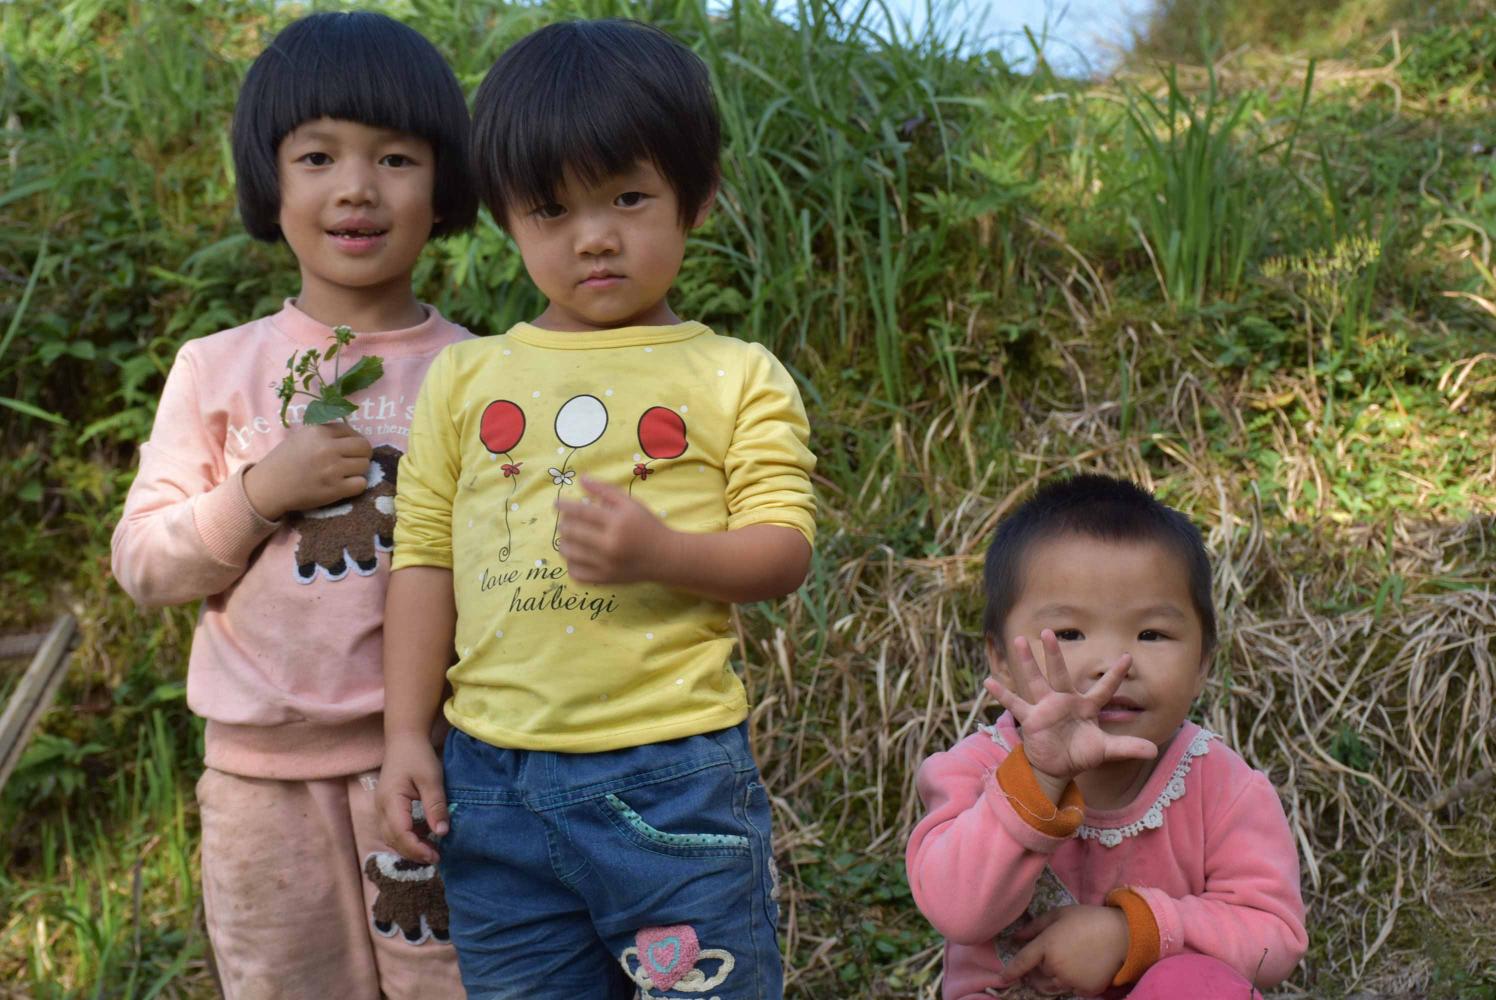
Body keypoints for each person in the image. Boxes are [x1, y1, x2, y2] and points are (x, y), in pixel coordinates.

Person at [374, 18, 816, 999]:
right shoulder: (463, 378)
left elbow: (782, 550)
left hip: (670, 790)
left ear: (694, 196)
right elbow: (425, 562)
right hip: (489, 788)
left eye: (627, 196)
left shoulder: (734, 375)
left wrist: (663, 550)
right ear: (504, 218)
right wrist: (408, 732)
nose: (594, 236)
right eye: (551, 210)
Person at [109, 11, 476, 998]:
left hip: (440, 770)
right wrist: (261, 492)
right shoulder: (217, 369)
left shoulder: (481, 372)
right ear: (271, 183)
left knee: (455, 983)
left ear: (444, 182)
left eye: (395, 157)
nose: (356, 187)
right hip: (257, 786)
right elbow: (144, 561)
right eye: (317, 155)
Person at [906, 474, 1307, 999]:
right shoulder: (973, 771)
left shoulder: (1223, 788)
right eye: (1069, 634)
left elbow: (1272, 937)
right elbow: (958, 910)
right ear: (1001, 659)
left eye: (1152, 635)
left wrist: (1132, 934)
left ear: (1203, 663)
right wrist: (1041, 776)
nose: (1114, 664)